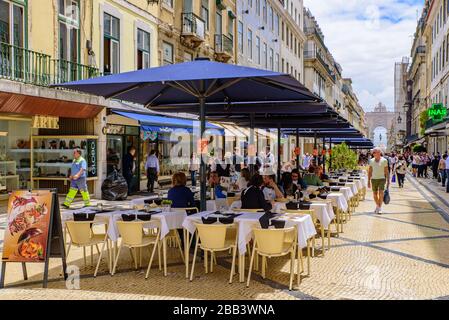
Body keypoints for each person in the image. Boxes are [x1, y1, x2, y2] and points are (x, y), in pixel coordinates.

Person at [368, 147, 390, 214]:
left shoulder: (384, 160)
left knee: (381, 193)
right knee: (375, 194)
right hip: (374, 179)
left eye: (375, 152)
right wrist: (368, 180)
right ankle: (378, 206)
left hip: (382, 179)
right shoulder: (371, 161)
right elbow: (370, 171)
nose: (373, 153)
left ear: (379, 153)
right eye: (373, 152)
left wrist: (388, 180)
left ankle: (379, 208)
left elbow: (386, 171)